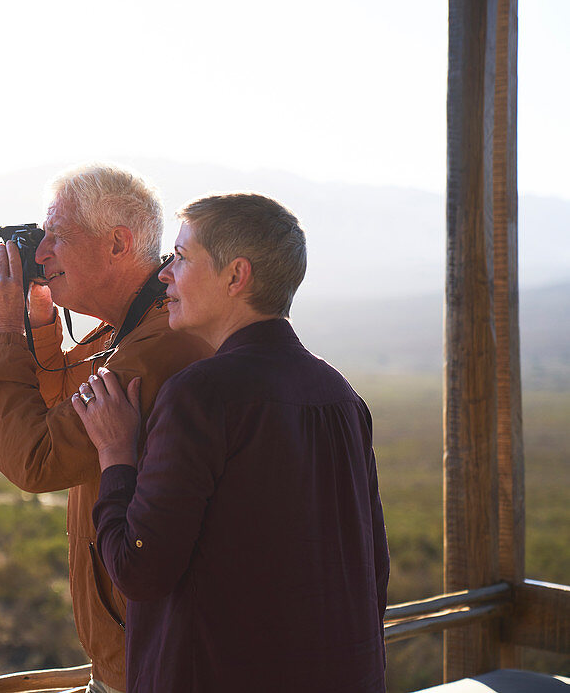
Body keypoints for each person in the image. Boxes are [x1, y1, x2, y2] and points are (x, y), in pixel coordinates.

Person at [73, 193, 389, 692]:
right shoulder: (340, 395)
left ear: (235, 276)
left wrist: (114, 453)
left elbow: (139, 569)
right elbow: (371, 572)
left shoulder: (201, 395)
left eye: (181, 258)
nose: (164, 274)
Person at [0, 163, 211, 693]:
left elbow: (39, 456)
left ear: (118, 244)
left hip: (155, 662)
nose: (42, 253)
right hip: (133, 655)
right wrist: (38, 322)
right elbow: (59, 409)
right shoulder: (128, 330)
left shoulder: (159, 344)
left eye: (57, 237)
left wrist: (0, 331)